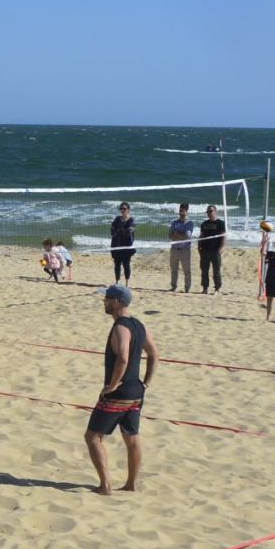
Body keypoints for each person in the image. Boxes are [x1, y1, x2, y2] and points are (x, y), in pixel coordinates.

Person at [85, 285, 156, 495]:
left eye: (107, 299)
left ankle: (105, 485)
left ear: (117, 302)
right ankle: (131, 484)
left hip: (120, 392)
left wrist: (113, 384)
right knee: (131, 437)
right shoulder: (140, 325)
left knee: (93, 437)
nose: (104, 302)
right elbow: (154, 354)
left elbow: (123, 358)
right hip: (136, 391)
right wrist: (146, 383)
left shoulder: (120, 327)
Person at [197, 204, 227, 293]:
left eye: (211, 211)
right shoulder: (204, 224)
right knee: (204, 270)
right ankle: (205, 288)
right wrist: (199, 246)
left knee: (216, 271)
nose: (209, 213)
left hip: (215, 250)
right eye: (208, 212)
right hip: (205, 250)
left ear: (215, 212)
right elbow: (201, 236)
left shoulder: (220, 223)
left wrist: (221, 247)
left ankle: (217, 288)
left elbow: (223, 236)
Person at [166, 203, 194, 292]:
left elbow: (187, 236)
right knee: (174, 270)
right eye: (180, 210)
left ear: (186, 211)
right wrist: (179, 235)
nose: (181, 212)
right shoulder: (174, 222)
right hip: (174, 249)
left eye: (183, 211)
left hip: (184, 250)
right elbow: (170, 235)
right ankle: (173, 286)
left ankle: (187, 288)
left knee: (187, 271)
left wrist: (176, 233)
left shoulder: (190, 223)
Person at [109, 203, 136, 283]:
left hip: (126, 246)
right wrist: (119, 231)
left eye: (124, 209)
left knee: (126, 264)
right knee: (117, 265)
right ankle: (117, 281)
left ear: (128, 210)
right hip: (116, 245)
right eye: (121, 209)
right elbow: (112, 230)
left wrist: (120, 230)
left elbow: (129, 231)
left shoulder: (131, 220)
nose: (122, 210)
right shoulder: (117, 219)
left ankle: (127, 283)